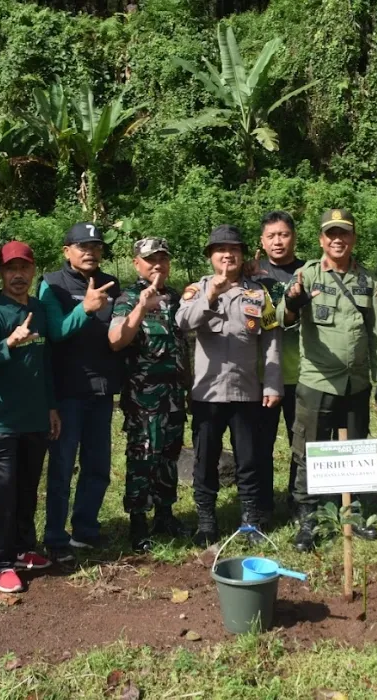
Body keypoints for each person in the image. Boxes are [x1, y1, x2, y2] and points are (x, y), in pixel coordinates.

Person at [278, 208, 377, 552]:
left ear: (353, 238)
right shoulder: (308, 275)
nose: (337, 240)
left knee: (354, 449)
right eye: (331, 234)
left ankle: (351, 513)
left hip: (355, 383)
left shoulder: (367, 280)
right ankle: (307, 518)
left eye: (344, 233)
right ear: (321, 240)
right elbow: (285, 318)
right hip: (317, 381)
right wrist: (292, 302)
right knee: (308, 449)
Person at [0, 241, 59, 593]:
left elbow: (44, 362)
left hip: (33, 418)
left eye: (24, 268)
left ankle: (22, 549)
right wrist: (8, 344)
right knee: (1, 495)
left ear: (33, 271)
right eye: (10, 269)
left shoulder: (38, 309)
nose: (18, 275)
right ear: (1, 273)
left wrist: (50, 406)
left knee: (26, 489)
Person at [178, 225, 283, 546]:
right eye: (220, 249)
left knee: (249, 461)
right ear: (211, 256)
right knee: (205, 460)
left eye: (234, 249)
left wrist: (273, 384)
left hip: (247, 392)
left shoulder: (257, 293)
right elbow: (182, 322)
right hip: (207, 394)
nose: (227, 255)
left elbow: (271, 339)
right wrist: (212, 294)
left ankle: (251, 523)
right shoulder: (197, 290)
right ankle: (207, 523)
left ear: (242, 255)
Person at [38, 222, 121, 563]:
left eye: (96, 246)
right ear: (66, 251)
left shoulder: (111, 285)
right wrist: (84, 308)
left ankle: (86, 529)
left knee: (98, 465)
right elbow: (55, 332)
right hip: (66, 391)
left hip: (102, 389)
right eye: (81, 246)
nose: (89, 251)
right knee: (61, 467)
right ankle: (56, 537)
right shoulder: (50, 285)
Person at [109, 238, 191, 552]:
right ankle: (138, 522)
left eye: (162, 259)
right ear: (137, 263)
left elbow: (183, 346)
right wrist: (142, 306)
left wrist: (190, 387)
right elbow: (116, 340)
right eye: (150, 259)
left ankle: (165, 515)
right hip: (143, 398)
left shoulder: (176, 297)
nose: (157, 265)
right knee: (143, 458)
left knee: (170, 456)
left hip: (173, 395)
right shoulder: (127, 298)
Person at [250, 211, 306, 511]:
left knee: (301, 445)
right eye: (271, 236)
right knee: (261, 446)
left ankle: (299, 502)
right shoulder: (252, 275)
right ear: (262, 240)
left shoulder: (309, 272)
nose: (278, 241)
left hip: (304, 373)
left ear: (293, 237)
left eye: (283, 234)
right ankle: (262, 504)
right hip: (262, 374)